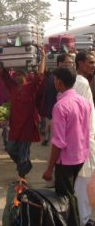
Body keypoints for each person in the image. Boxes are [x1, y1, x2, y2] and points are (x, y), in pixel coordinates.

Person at [43, 67, 91, 226]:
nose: (53, 82)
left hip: (67, 160)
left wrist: (49, 169)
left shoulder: (61, 106)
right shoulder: (83, 101)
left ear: (59, 82)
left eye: (55, 79)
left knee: (65, 198)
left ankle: (74, 222)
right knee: (71, 194)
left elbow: (58, 142)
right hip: (81, 156)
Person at [0, 48, 45, 178]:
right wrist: (0, 57)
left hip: (27, 126)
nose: (16, 76)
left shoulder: (31, 87)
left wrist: (44, 57)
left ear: (25, 75)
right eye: (16, 74)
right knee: (10, 149)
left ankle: (22, 177)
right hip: (15, 126)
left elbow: (40, 75)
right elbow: (3, 73)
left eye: (19, 74)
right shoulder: (12, 87)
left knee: (24, 153)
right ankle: (25, 166)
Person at [73, 51, 95, 226]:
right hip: (85, 138)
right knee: (84, 179)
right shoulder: (81, 83)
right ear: (80, 63)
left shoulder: (81, 81)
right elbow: (79, 115)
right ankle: (84, 218)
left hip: (86, 138)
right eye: (90, 62)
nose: (93, 65)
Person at [43, 53, 75, 146]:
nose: (71, 65)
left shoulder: (64, 77)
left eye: (72, 63)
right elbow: (51, 97)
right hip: (56, 116)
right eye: (68, 62)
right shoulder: (55, 78)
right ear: (60, 64)